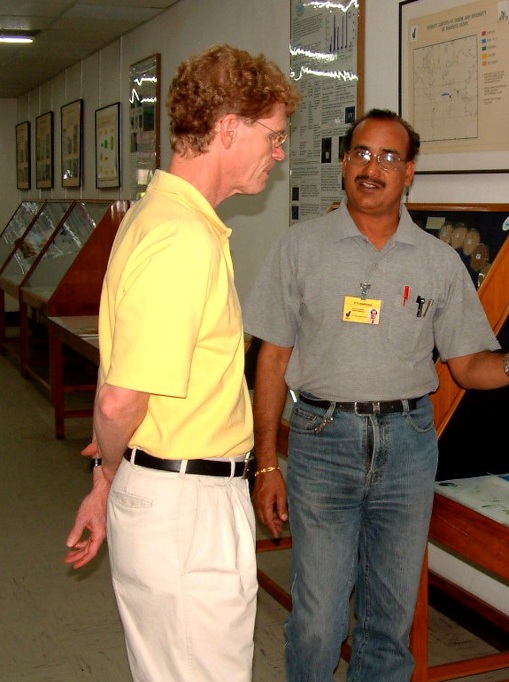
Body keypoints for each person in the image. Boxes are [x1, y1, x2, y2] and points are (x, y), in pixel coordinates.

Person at [244, 108, 509, 681]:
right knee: (318, 621)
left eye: (390, 157)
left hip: (407, 449)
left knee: (388, 624)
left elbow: (468, 366)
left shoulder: (439, 263)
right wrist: (265, 462)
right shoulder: (300, 249)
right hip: (324, 442)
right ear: (345, 162)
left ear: (409, 172)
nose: (373, 167)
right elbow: (273, 359)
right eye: (363, 153)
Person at [63, 45, 299, 682]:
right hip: (186, 509)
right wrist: (114, 476)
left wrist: (110, 485)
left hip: (166, 494)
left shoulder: (161, 218)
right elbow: (119, 402)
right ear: (229, 129)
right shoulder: (181, 237)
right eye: (273, 136)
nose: (279, 154)